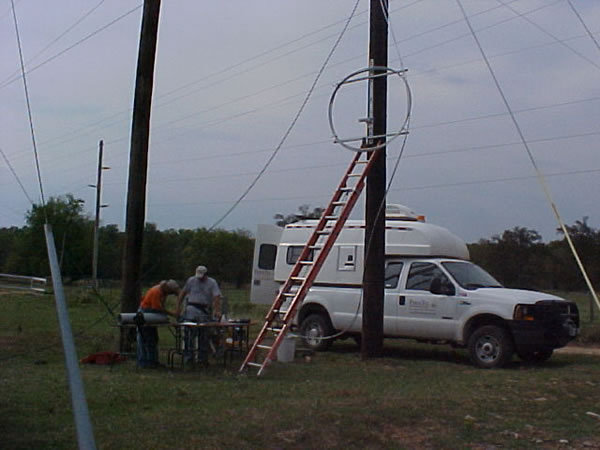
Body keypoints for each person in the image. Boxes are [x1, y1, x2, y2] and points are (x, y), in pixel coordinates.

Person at [177, 265, 222, 364]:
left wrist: (216, 310)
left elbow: (216, 296)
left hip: (204, 310)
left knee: (204, 334)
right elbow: (183, 293)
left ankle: (202, 358)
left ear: (206, 274)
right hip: (191, 309)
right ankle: (188, 357)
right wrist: (178, 307)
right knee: (189, 334)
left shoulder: (212, 282)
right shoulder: (191, 280)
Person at [136, 279, 180, 368]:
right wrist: (172, 315)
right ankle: (144, 362)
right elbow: (157, 308)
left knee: (153, 338)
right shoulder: (157, 292)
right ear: (167, 288)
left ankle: (153, 361)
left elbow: (161, 307)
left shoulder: (163, 292)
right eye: (171, 292)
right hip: (145, 314)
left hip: (151, 314)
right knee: (145, 338)